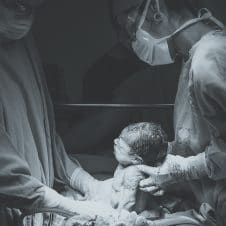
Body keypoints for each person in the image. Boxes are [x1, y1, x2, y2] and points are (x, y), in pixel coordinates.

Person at [0, 0, 148, 225]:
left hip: (38, 204)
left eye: (34, 8)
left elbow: (46, 138)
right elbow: (7, 180)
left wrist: (88, 184)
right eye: (18, 6)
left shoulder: (21, 42)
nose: (27, 15)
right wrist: (70, 206)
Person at [112, 0, 226, 225]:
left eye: (129, 26)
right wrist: (161, 159)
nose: (131, 40)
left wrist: (180, 169)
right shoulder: (194, 57)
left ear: (155, 10)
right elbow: (201, 136)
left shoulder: (208, 61)